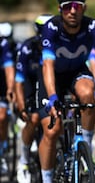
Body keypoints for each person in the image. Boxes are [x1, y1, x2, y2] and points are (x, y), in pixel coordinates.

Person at [38, 0, 95, 182]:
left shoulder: (92, 26)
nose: (73, 11)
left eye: (77, 6)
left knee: (88, 95)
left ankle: (86, 145)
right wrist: (52, 97)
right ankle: (47, 178)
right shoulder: (51, 27)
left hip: (76, 72)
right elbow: (47, 65)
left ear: (84, 8)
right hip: (52, 77)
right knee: (52, 130)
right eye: (67, 6)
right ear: (60, 9)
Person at [15, 14, 53, 183]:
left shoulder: (57, 45)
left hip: (49, 84)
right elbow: (18, 80)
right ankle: (23, 159)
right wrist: (21, 104)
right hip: (30, 83)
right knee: (34, 118)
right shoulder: (27, 47)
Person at [0, 22, 16, 175]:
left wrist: (11, 88)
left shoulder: (3, 44)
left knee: (2, 117)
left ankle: (2, 149)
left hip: (2, 84)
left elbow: (10, 69)